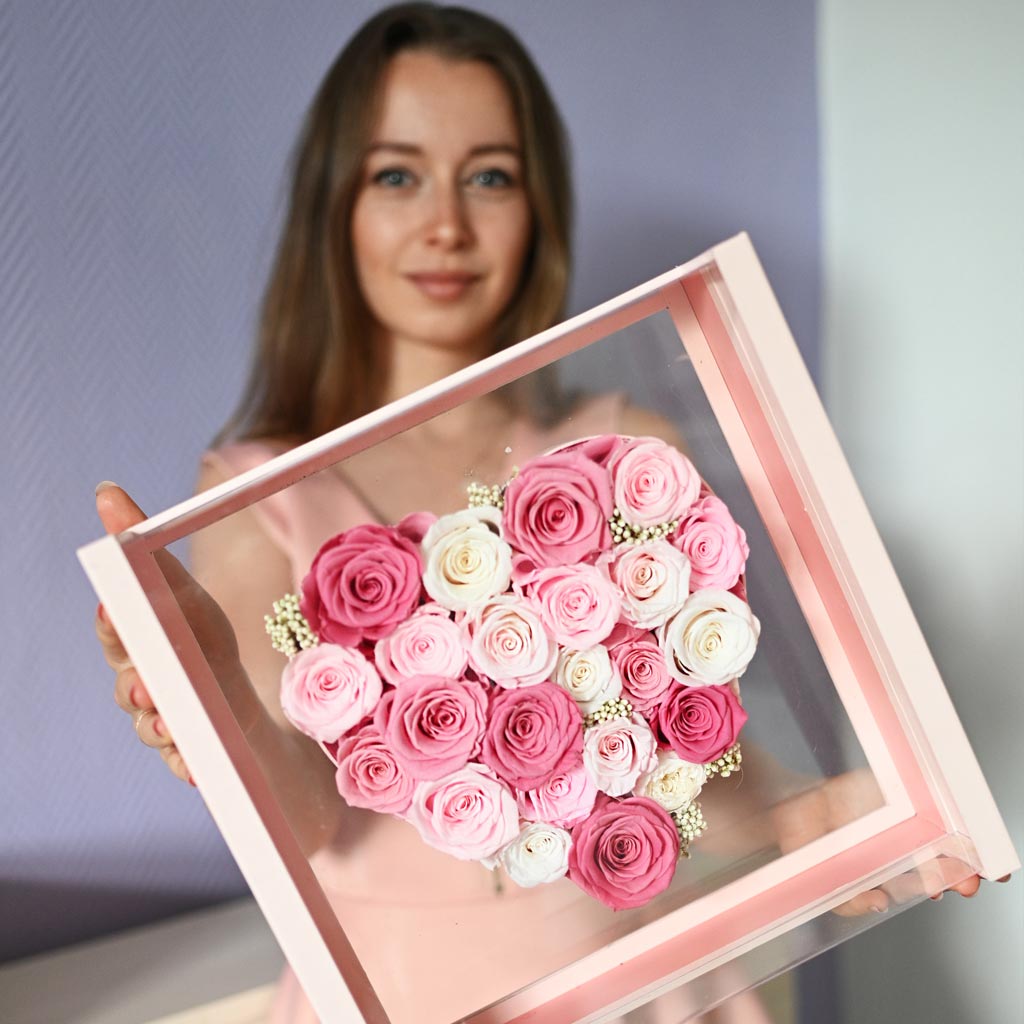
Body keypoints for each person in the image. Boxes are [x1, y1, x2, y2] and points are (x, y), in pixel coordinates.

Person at [94, 5, 995, 1022]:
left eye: (489, 176)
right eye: (396, 176)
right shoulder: (254, 492)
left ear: (540, 207)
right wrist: (214, 697)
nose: (446, 224)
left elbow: (681, 770)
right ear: (333, 207)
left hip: (650, 990)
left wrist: (804, 808)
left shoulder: (629, 454)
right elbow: (304, 818)